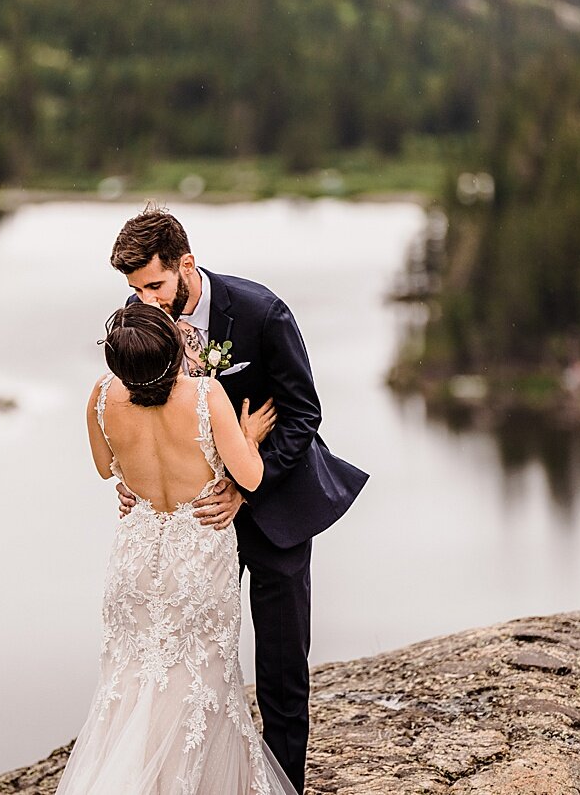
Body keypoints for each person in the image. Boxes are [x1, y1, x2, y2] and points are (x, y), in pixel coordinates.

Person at [108, 206, 369, 789]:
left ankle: (285, 788)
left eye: (154, 284)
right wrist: (132, 474)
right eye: (134, 289)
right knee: (188, 667)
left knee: (279, 670)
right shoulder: (138, 317)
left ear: (186, 266)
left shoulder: (260, 311)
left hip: (272, 511)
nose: (144, 302)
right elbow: (137, 407)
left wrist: (246, 489)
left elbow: (303, 414)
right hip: (193, 527)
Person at [57, 303, 293, 794]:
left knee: (132, 681)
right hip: (197, 555)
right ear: (172, 351)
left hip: (138, 555)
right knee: (199, 684)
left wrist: (133, 477)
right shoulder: (206, 396)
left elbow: (106, 469)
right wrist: (248, 436)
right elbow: (250, 476)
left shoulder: (101, 396)